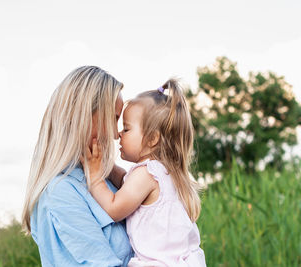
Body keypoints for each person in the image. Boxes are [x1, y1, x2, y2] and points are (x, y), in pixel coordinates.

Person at [82, 79, 207, 266]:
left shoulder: (147, 173)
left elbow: (114, 208)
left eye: (126, 128)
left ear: (152, 139)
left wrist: (95, 175)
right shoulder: (165, 172)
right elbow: (124, 180)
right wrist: (107, 167)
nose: (118, 135)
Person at [21, 66, 133, 266]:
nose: (116, 135)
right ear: (82, 116)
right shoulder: (59, 193)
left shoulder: (102, 177)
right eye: (113, 119)